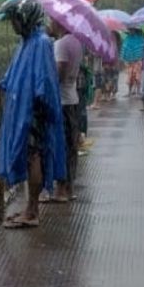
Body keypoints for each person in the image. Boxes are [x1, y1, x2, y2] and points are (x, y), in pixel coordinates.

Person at [0, 0, 67, 228]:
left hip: (33, 112)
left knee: (33, 156)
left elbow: (44, 81)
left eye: (15, 20)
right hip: (24, 109)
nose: (14, 25)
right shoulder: (27, 42)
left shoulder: (40, 43)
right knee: (28, 157)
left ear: (26, 18)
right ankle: (29, 208)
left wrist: (37, 106)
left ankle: (32, 211)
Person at [47, 19, 84, 202]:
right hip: (73, 99)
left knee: (61, 145)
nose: (49, 24)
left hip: (62, 101)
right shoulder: (76, 42)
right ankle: (69, 187)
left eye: (51, 20)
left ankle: (61, 189)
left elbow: (60, 70)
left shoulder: (61, 44)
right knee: (71, 145)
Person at [122, 27, 144, 96]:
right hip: (130, 62)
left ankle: (138, 91)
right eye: (130, 30)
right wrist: (125, 59)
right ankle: (129, 91)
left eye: (132, 30)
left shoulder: (140, 39)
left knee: (137, 77)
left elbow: (142, 49)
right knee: (130, 77)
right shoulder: (127, 39)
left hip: (137, 61)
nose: (131, 31)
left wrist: (140, 58)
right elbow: (124, 49)